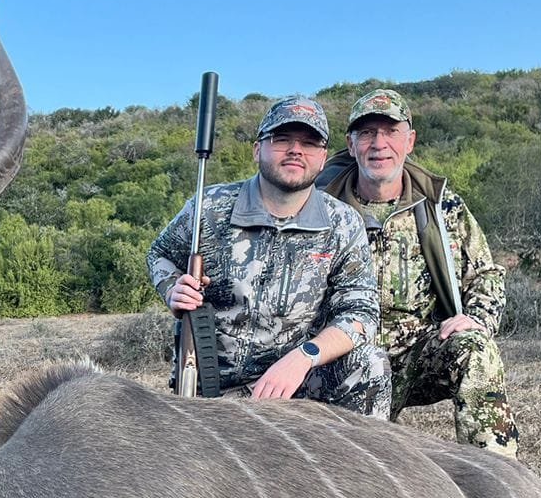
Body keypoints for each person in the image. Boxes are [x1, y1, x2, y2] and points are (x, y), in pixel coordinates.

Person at [147, 96, 390, 416]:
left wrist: (305, 356)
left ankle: (360, 467)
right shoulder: (210, 206)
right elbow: (160, 254)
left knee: (369, 363)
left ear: (323, 158)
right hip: (214, 386)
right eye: (282, 139)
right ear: (257, 149)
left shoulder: (343, 222)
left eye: (309, 142)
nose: (295, 150)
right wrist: (172, 288)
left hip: (297, 382)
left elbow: (361, 315)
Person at [318, 88, 517, 455]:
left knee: (475, 349)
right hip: (342, 356)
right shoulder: (319, 207)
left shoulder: (443, 207)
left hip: (417, 352)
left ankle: (499, 479)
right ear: (351, 144)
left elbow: (486, 273)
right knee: (350, 460)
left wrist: (477, 319)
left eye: (390, 132)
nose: (379, 144)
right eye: (367, 133)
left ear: (409, 141)